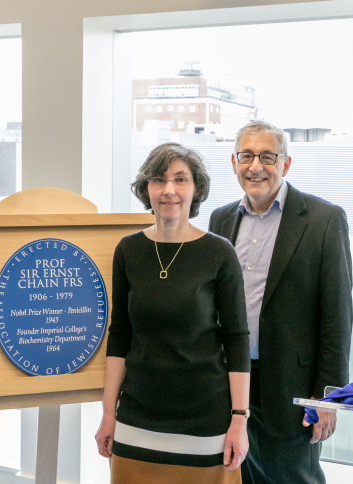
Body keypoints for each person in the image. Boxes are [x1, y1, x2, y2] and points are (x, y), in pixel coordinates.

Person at [95, 142, 251, 484]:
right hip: (136, 420)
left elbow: (237, 339)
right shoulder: (128, 250)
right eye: (158, 180)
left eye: (180, 180)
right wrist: (108, 415)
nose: (169, 190)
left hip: (205, 422)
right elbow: (119, 335)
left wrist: (239, 419)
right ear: (146, 189)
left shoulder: (219, 253)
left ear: (196, 190)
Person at [208, 120, 353, 483]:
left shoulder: (323, 220)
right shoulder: (220, 218)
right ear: (234, 161)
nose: (256, 166)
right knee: (236, 477)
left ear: (285, 164)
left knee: (292, 477)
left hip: (292, 386)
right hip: (228, 383)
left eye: (267, 156)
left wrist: (327, 398)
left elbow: (337, 317)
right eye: (246, 155)